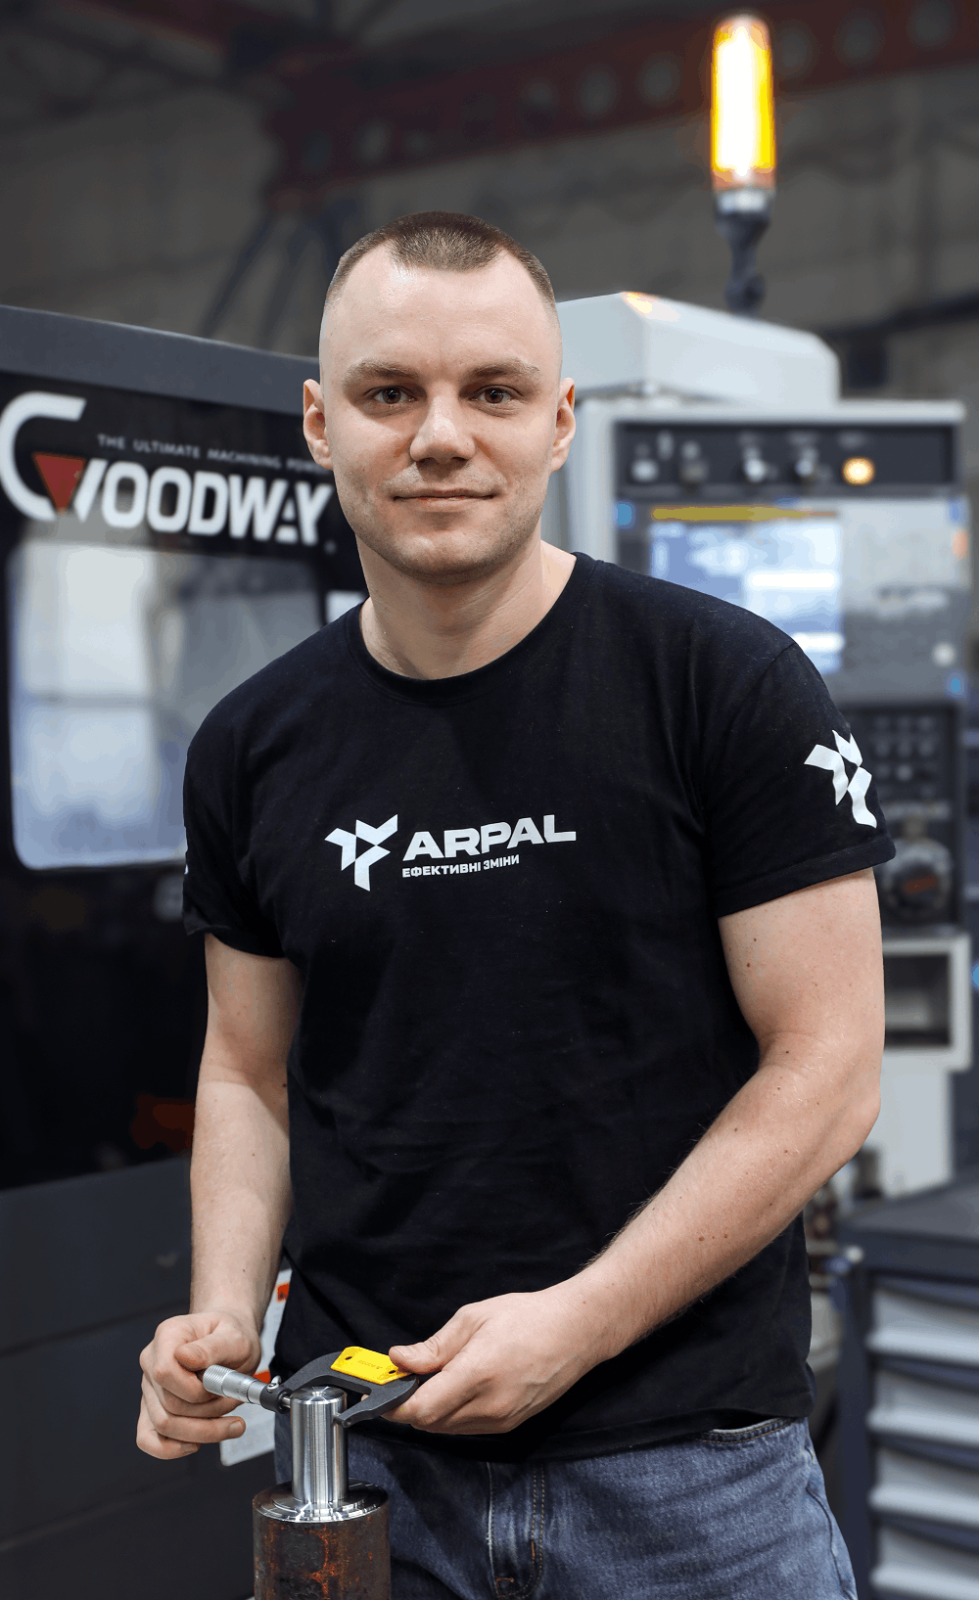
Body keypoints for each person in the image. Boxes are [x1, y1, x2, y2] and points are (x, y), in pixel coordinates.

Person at [138, 211, 892, 1598]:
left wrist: (580, 1324)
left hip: (693, 1481)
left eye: (491, 392)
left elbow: (832, 1064)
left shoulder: (721, 686)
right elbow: (248, 1069)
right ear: (319, 423)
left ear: (558, 422)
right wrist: (223, 1311)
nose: (440, 437)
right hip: (372, 1468)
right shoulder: (250, 747)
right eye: (389, 393)